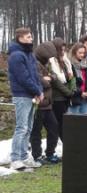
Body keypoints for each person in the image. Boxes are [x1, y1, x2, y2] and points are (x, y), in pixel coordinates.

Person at [8, 27, 43, 170]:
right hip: (22, 95)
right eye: (28, 37)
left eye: (31, 36)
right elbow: (24, 78)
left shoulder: (29, 54)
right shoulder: (17, 55)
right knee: (21, 128)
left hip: (32, 95)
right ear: (20, 38)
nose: (31, 39)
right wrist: (36, 90)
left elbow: (35, 75)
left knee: (28, 128)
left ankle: (24, 156)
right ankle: (15, 158)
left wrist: (39, 91)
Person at [30, 41, 60, 164]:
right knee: (36, 131)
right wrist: (47, 80)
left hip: (48, 103)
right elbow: (40, 80)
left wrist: (50, 78)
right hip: (38, 103)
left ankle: (50, 153)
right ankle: (37, 155)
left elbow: (54, 76)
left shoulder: (46, 63)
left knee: (54, 128)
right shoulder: (34, 63)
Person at [49, 37, 75, 141]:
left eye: (64, 49)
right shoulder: (51, 62)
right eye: (61, 50)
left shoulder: (65, 61)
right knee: (60, 121)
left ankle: (66, 141)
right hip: (57, 96)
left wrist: (72, 87)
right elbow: (56, 82)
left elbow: (71, 77)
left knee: (63, 121)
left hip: (65, 96)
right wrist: (68, 92)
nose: (63, 52)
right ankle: (64, 142)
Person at [68, 43, 87, 114]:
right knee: (74, 121)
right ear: (74, 52)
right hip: (75, 97)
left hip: (86, 97)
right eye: (80, 53)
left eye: (83, 53)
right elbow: (71, 83)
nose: (82, 55)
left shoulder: (86, 63)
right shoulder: (69, 65)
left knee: (84, 121)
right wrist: (80, 93)